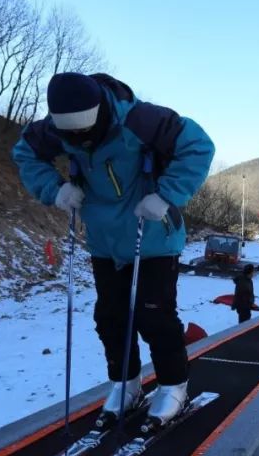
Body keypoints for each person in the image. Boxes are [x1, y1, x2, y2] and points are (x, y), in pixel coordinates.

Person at [12, 72, 214, 427]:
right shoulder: (56, 129)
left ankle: (173, 386)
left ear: (100, 112)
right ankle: (127, 384)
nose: (80, 141)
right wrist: (55, 189)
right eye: (70, 136)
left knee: (155, 317)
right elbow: (25, 152)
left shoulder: (141, 119)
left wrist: (167, 194)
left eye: (85, 131)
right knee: (110, 318)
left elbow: (199, 146)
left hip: (152, 235)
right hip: (104, 241)